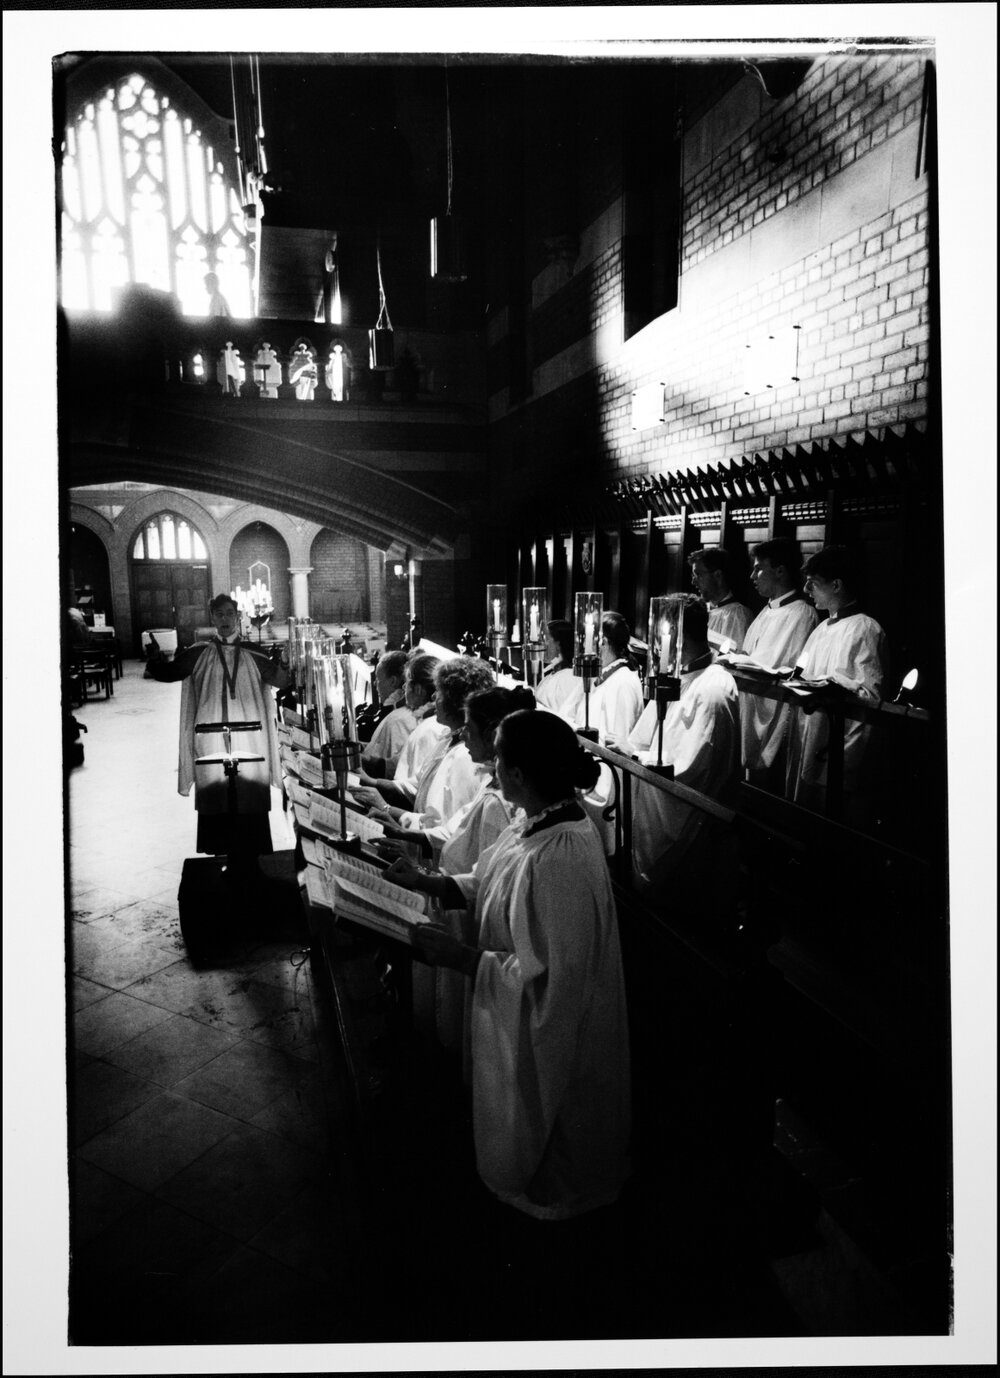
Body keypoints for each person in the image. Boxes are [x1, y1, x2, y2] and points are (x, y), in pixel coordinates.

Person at [385, 709, 630, 1222]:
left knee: (546, 1161)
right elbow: (489, 875)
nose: (491, 766)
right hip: (512, 1015)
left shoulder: (560, 857)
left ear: (518, 774)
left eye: (497, 756)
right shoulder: (535, 820)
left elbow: (552, 987)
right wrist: (431, 883)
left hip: (560, 1048)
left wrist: (463, 958)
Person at [377, 684, 535, 1054]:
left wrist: (431, 878)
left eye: (469, 727)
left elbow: (486, 879)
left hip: (470, 926)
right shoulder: (494, 793)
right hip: (455, 906)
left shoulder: (500, 805)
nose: (462, 734)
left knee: (458, 1021)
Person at [146, 593, 290, 858]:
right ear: (212, 617)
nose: (225, 619)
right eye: (219, 614)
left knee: (249, 790)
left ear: (237, 617)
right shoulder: (199, 653)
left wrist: (285, 662)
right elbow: (169, 673)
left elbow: (281, 680)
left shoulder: (254, 653)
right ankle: (221, 854)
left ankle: (252, 856)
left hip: (249, 737)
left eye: (229, 614)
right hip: (211, 737)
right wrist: (155, 660)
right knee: (216, 789)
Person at [625, 594, 740, 894]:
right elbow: (642, 738)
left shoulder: (713, 688)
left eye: (660, 636)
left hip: (689, 824)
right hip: (651, 792)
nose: (653, 646)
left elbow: (693, 773)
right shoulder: (680, 676)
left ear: (678, 636)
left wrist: (634, 756)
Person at [785, 545, 889, 817]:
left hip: (839, 744)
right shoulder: (821, 627)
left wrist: (834, 683)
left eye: (814, 584)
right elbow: (801, 673)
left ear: (837, 585)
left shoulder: (865, 628)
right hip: (813, 733)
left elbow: (869, 694)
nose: (807, 591)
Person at [353, 656, 495, 839]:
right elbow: (417, 786)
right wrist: (372, 783)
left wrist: (386, 808)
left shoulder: (465, 757)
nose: (434, 696)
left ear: (455, 701)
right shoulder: (447, 738)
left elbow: (443, 828)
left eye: (440, 692)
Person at [737, 538, 819, 781]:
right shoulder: (767, 610)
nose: (752, 576)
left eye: (758, 568)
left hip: (776, 713)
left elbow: (780, 669)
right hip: (749, 706)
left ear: (780, 571)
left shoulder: (801, 614)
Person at [578, 611, 644, 745]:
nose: (583, 646)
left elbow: (617, 743)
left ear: (603, 642)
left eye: (587, 639)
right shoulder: (603, 677)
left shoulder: (623, 682)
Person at [688, 547, 754, 654]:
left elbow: (733, 660)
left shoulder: (736, 615)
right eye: (693, 575)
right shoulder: (703, 612)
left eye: (698, 574)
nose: (693, 582)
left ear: (718, 575)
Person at [358, 650, 414, 775]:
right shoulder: (395, 712)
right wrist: (361, 747)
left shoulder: (400, 720)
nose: (374, 684)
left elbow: (397, 768)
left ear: (393, 681)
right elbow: (382, 745)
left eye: (378, 679)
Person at [533, 618, 584, 724]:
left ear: (559, 644)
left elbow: (564, 716)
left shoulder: (570, 678)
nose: (542, 644)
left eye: (546, 638)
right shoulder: (551, 673)